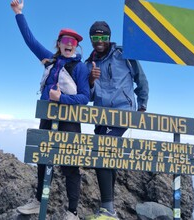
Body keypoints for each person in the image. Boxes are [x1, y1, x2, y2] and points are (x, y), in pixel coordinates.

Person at [10, 0, 90, 219]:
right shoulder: (49, 60)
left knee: (70, 166)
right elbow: (30, 40)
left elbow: (85, 97)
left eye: (73, 41)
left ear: (76, 46)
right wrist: (18, 12)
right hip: (47, 116)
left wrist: (61, 98)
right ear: (59, 43)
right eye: (65, 40)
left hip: (70, 121)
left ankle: (72, 212)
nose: (69, 44)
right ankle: (38, 200)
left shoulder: (80, 67)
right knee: (43, 158)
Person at [85, 21, 149, 219]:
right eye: (95, 38)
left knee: (101, 151)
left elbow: (141, 79)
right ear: (91, 40)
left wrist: (143, 105)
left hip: (123, 113)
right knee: (107, 157)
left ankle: (108, 209)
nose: (99, 41)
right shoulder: (88, 64)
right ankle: (108, 209)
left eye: (103, 37)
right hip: (101, 116)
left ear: (109, 37)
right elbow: (86, 96)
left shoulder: (124, 54)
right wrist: (91, 80)